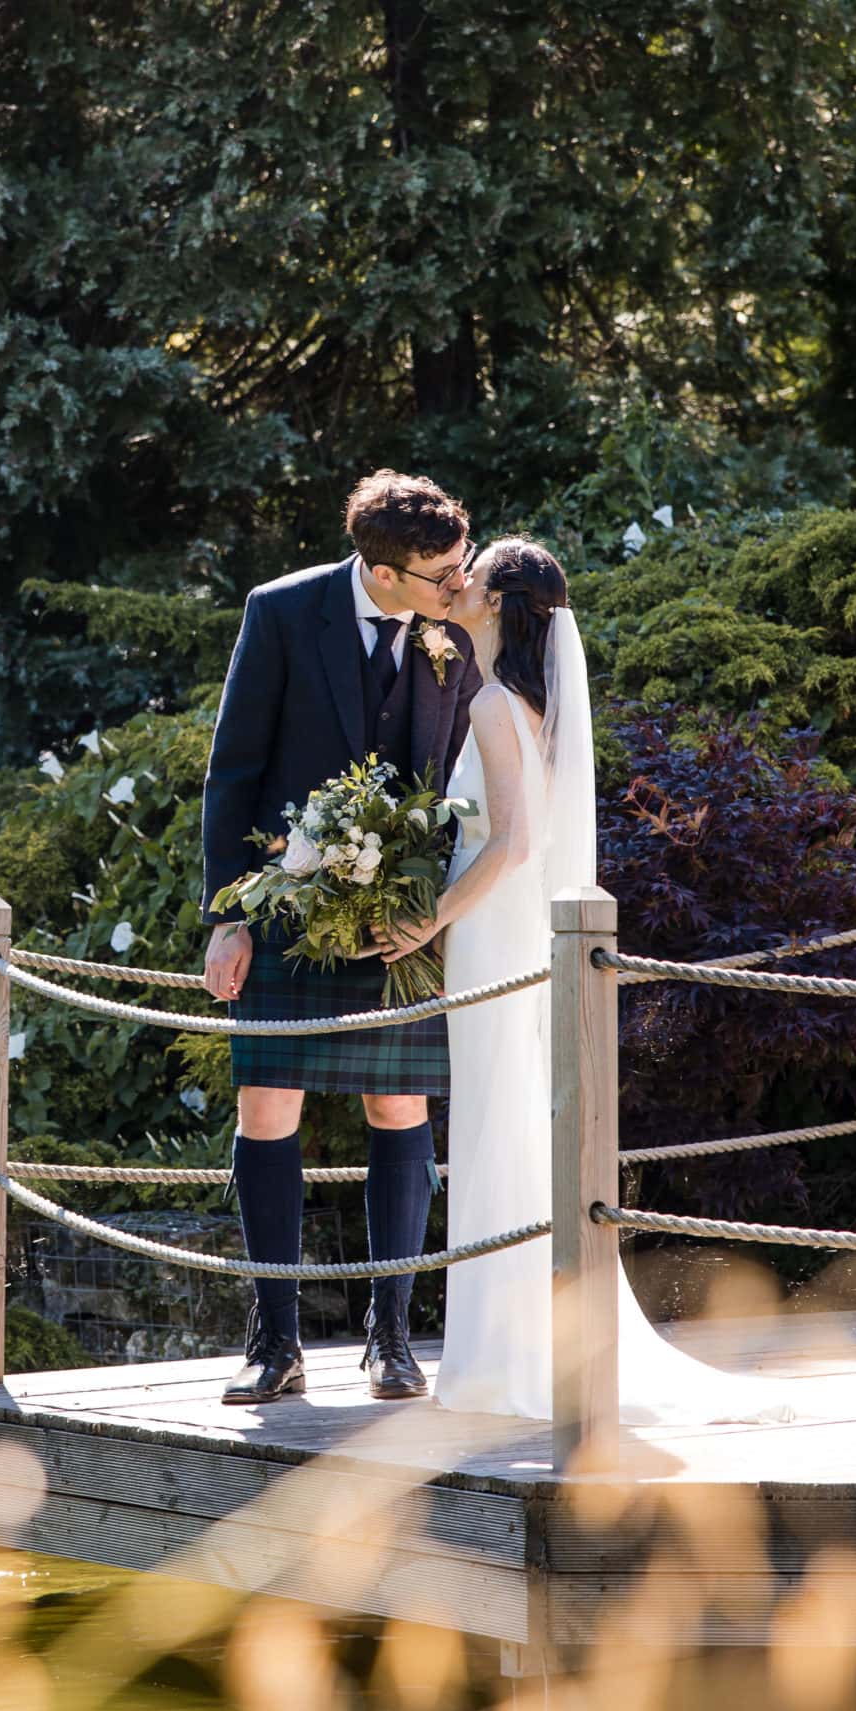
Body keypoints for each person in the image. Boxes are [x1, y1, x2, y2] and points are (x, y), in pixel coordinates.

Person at [376, 538, 793, 1425]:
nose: (459, 583)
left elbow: (515, 842)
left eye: (472, 575)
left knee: (497, 1121)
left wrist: (431, 916)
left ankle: (504, 1359)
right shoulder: (530, 705)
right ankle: (515, 1345)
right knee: (512, 1119)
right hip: (515, 928)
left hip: (491, 931)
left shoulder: (494, 704)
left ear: (498, 605)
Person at [201, 470, 481, 1405]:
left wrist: (441, 904)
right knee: (266, 1106)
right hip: (288, 902)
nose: (460, 582)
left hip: (409, 912)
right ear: (382, 570)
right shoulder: (283, 612)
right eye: (441, 572)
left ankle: (391, 1341)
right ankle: (273, 1343)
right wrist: (228, 916)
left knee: (401, 1110)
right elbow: (233, 769)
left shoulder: (459, 625)